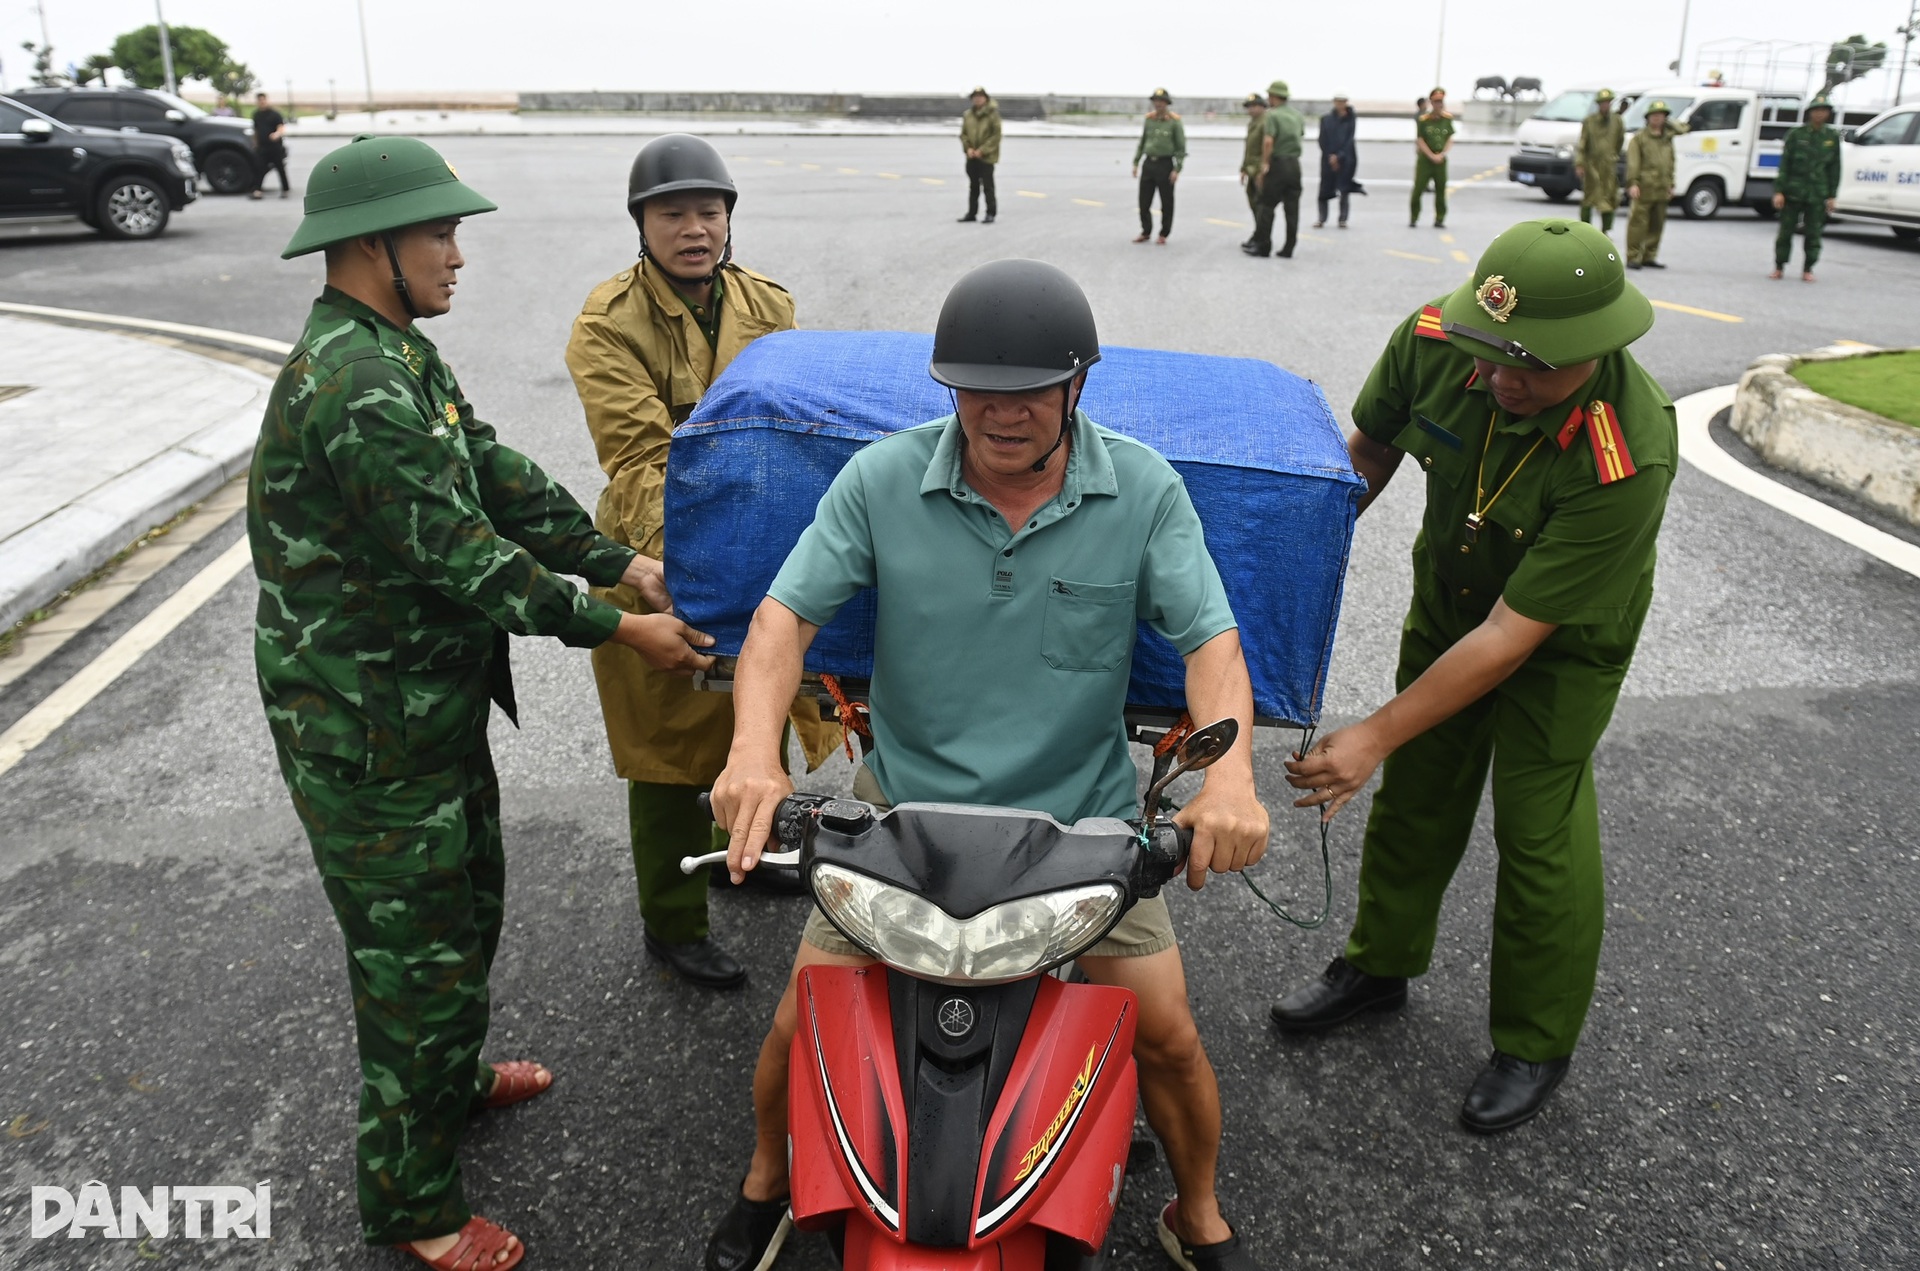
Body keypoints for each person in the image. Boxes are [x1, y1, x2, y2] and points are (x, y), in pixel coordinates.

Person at [703, 259, 1274, 1271]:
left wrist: (1229, 781)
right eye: (976, 390)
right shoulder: (883, 479)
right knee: (800, 1019)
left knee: (1169, 1033)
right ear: (947, 388)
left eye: (1029, 393)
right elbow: (782, 621)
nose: (1001, 414)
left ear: (1078, 388)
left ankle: (1196, 1212)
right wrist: (755, 756)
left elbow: (1212, 644)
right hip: (903, 817)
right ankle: (768, 1179)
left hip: (1087, 825)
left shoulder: (1141, 487)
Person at [252, 134, 718, 1271]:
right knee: (413, 961)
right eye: (439, 234)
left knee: (463, 914)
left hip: (421, 706)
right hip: (363, 730)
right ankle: (414, 1199)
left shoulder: (395, 348)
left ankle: (451, 1081)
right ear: (373, 247)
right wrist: (621, 624)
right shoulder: (357, 384)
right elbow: (463, 555)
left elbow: (494, 474)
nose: (458, 256)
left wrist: (615, 560)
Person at [1274, 219, 1675, 1136]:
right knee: (1420, 785)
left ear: (1598, 346)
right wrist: (1296, 570)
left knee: (1538, 826)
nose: (1499, 380)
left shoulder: (1627, 451)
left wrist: (1370, 730)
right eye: (1489, 354)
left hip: (1559, 641)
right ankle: (1379, 965)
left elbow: (1512, 636)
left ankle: (1535, 1038)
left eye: (1528, 366)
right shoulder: (1434, 343)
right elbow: (1368, 453)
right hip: (1453, 597)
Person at [564, 134, 840, 990]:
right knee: (668, 751)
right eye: (673, 213)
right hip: (660, 553)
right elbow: (640, 461)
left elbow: (796, 427)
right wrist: (705, 569)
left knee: (749, 719)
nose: (695, 229)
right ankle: (672, 923)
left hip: (760, 540)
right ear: (641, 223)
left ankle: (739, 859)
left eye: (709, 212)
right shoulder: (608, 322)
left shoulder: (768, 303)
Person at [1771, 96, 1841, 282]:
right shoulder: (1796, 134)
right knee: (1785, 232)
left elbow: (1835, 168)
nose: (1819, 113)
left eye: (1823, 110)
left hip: (1817, 193)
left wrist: (1832, 195)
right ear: (1810, 112)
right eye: (1816, 110)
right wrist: (1779, 191)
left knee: (1813, 233)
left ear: (1827, 113)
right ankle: (1779, 266)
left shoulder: (1831, 138)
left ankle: (1808, 268)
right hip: (1793, 191)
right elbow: (1785, 165)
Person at [1247, 79, 1305, 259]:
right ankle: (1289, 247)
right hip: (1295, 164)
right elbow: (1300, 135)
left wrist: (1265, 164)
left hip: (1278, 164)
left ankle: (1264, 246)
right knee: (1292, 208)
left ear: (1273, 97)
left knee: (1266, 205)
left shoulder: (1272, 115)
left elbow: (1268, 141)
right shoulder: (1297, 116)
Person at [1624, 100, 1682, 269]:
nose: (1657, 118)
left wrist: (1671, 184)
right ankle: (1633, 256)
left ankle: (1649, 255)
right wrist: (1633, 183)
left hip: (1662, 187)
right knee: (1638, 224)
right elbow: (1633, 163)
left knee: (1657, 224)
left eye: (1661, 115)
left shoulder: (1667, 138)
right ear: (1647, 118)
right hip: (1644, 187)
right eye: (1654, 115)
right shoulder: (1639, 138)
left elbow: (1670, 162)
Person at [1132, 88, 1187, 244]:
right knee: (1144, 201)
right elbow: (1142, 142)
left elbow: (1181, 147)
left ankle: (1164, 233)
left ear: (1167, 103)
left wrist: (1177, 168)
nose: (1158, 104)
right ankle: (1146, 230)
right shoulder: (1149, 119)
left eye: (1161, 101)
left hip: (1165, 164)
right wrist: (1136, 162)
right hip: (1149, 163)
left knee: (1167, 202)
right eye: (1156, 101)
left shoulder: (1174, 121)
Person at [1576, 88, 1625, 233]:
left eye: (1608, 102)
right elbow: (1582, 143)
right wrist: (1580, 163)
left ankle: (1605, 230)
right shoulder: (1589, 121)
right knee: (1589, 197)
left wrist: (1613, 156)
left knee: (1609, 197)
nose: (1605, 105)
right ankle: (1585, 230)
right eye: (1602, 103)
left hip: (1609, 166)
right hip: (1591, 165)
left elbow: (1619, 141)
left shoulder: (1617, 121)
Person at [1316, 92, 1362, 229]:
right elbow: (1322, 139)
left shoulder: (1351, 120)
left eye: (1342, 101)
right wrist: (1330, 155)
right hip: (1328, 158)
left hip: (1346, 158)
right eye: (1337, 101)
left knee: (1344, 189)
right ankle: (1322, 218)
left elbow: (1349, 140)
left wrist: (1339, 156)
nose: (1340, 104)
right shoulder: (1326, 119)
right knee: (1324, 189)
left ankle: (1343, 219)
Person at [1411, 87, 1454, 228]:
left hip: (1440, 159)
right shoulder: (1424, 120)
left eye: (1441, 102)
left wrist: (1442, 154)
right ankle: (1414, 216)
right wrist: (1430, 155)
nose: (1439, 105)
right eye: (1436, 102)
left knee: (1441, 190)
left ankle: (1440, 218)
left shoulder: (1447, 119)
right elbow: (1420, 140)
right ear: (1431, 102)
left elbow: (1449, 138)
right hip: (1425, 159)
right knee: (1418, 189)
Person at [959, 86, 1001, 224]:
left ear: (986, 98)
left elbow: (996, 136)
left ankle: (990, 213)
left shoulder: (993, 115)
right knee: (973, 186)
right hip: (971, 157)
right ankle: (972, 213)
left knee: (988, 186)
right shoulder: (968, 115)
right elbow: (963, 134)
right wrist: (968, 149)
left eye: (980, 96)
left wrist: (982, 150)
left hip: (986, 157)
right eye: (975, 97)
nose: (977, 99)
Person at [250, 90, 289, 200]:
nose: (262, 102)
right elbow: (256, 130)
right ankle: (257, 190)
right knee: (259, 168)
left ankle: (285, 189)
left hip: (275, 146)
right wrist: (255, 143)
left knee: (280, 168)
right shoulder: (256, 115)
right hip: (262, 147)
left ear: (266, 100)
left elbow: (280, 127)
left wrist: (277, 134)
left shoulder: (274, 114)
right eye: (259, 100)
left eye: (263, 100)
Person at [1239, 91, 1268, 239]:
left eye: (1254, 106)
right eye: (1249, 107)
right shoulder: (1252, 123)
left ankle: (1261, 234)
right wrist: (1243, 168)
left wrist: (1261, 171)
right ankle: (1258, 232)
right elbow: (1249, 149)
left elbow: (1266, 149)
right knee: (1253, 202)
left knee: (1260, 204)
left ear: (1263, 107)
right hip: (1251, 169)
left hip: (1258, 171)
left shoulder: (1265, 123)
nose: (1251, 110)